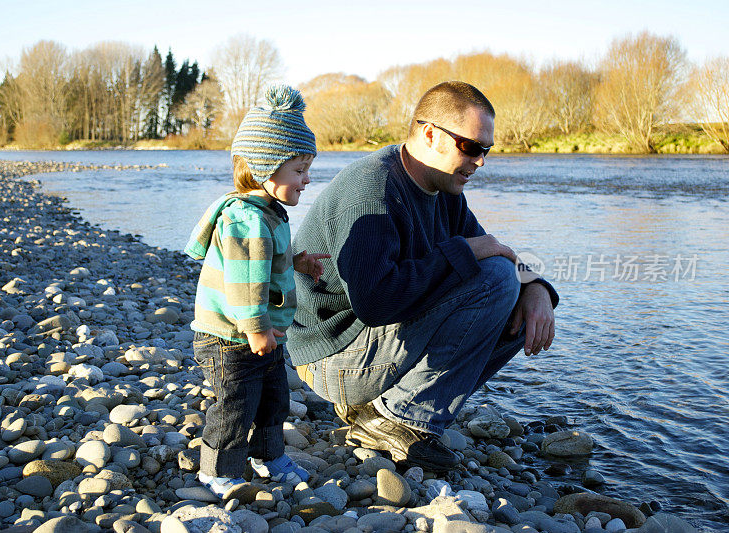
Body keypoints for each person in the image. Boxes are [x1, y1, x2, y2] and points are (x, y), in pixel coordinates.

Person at [288, 81, 559, 471]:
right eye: (471, 147)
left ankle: (394, 411)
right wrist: (469, 255)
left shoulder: (444, 190)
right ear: (431, 134)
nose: (481, 161)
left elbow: (494, 249)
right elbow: (375, 303)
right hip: (333, 356)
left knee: (510, 288)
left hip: (367, 349)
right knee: (498, 280)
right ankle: (396, 416)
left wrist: (536, 289)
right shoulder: (373, 191)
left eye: (487, 150)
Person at [184, 85, 329, 498]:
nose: (306, 179)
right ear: (267, 168)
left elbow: (263, 265)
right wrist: (256, 328)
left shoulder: (267, 212)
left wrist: (296, 262)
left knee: (272, 400)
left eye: (307, 168)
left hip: (258, 335)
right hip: (232, 337)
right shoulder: (247, 221)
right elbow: (245, 285)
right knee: (235, 405)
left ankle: (269, 457)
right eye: (298, 170)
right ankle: (217, 469)